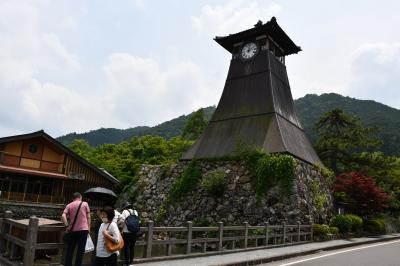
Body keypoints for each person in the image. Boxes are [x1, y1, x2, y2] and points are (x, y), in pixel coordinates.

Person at [62, 192, 91, 266]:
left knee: (70, 250)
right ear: (80, 197)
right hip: (83, 230)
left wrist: (67, 226)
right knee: (80, 251)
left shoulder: (69, 205)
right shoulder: (85, 204)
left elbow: (63, 215)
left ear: (73, 198)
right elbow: (88, 217)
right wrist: (89, 228)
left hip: (73, 230)